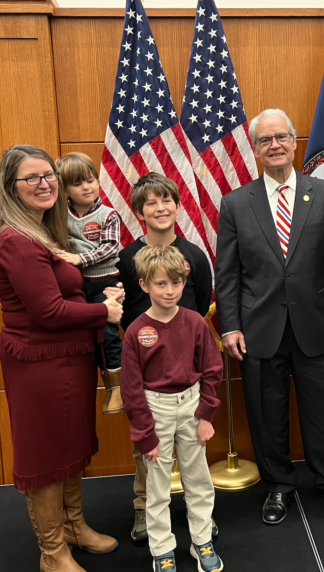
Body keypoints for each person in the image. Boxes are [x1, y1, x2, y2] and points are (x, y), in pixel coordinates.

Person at [0, 145, 123, 572]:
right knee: (46, 456)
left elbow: (70, 291)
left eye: (49, 176)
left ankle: (74, 526)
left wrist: (102, 297)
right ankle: (53, 550)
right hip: (38, 363)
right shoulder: (15, 240)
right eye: (32, 178)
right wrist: (104, 312)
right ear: (11, 187)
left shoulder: (45, 230)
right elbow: (50, 311)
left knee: (71, 445)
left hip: (70, 357)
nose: (45, 184)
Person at [215, 108, 324, 525]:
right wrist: (229, 325)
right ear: (255, 148)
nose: (275, 145)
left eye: (281, 137)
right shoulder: (235, 203)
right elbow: (227, 272)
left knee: (323, 407)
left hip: (318, 325)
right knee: (266, 412)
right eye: (266, 140)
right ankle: (278, 485)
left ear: (294, 142)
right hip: (259, 327)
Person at [115, 173, 215, 542]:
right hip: (147, 369)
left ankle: (198, 518)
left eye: (166, 201)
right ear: (139, 212)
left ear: (177, 205)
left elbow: (201, 302)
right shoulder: (128, 258)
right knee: (149, 448)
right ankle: (144, 507)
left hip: (186, 372)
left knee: (192, 452)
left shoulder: (193, 256)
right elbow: (125, 314)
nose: (160, 208)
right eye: (151, 203)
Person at [121, 245, 223, 572]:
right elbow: (132, 389)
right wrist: (145, 434)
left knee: (199, 481)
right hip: (156, 409)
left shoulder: (194, 322)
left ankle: (202, 541)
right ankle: (162, 550)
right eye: (161, 284)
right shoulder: (137, 331)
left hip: (192, 405)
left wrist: (206, 416)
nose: (170, 290)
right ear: (145, 285)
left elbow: (212, 371)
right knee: (158, 485)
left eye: (176, 283)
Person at [54, 152, 125, 416]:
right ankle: (97, 387)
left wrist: (79, 258)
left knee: (107, 334)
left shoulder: (109, 215)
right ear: (64, 189)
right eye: (77, 183)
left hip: (106, 282)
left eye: (91, 180)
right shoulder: (59, 216)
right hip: (77, 285)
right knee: (84, 337)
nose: (87, 187)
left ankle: (116, 389)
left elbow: (109, 248)